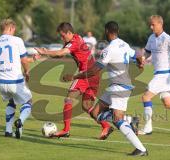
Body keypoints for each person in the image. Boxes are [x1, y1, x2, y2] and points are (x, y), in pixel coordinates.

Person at [63, 21, 148, 156]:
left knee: (116, 119)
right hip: (114, 87)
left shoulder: (109, 49)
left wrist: (74, 77)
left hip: (120, 87)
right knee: (96, 113)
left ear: (107, 31)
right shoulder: (123, 44)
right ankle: (130, 120)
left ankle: (141, 149)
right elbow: (137, 54)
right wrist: (140, 63)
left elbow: (94, 71)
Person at [35, 22, 113, 139]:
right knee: (87, 106)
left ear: (69, 33)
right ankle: (106, 126)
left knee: (68, 99)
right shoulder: (77, 38)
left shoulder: (74, 42)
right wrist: (45, 54)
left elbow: (61, 52)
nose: (62, 38)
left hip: (85, 74)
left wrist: (45, 52)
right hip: (95, 75)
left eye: (63, 36)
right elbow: (61, 54)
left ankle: (66, 130)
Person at [0, 18, 37, 139]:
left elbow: (11, 59)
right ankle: (20, 121)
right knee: (28, 101)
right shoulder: (17, 40)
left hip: (0, 82)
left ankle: (8, 130)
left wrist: (32, 59)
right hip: (15, 81)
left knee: (11, 101)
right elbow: (23, 60)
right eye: (14, 30)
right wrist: (27, 71)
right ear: (11, 28)